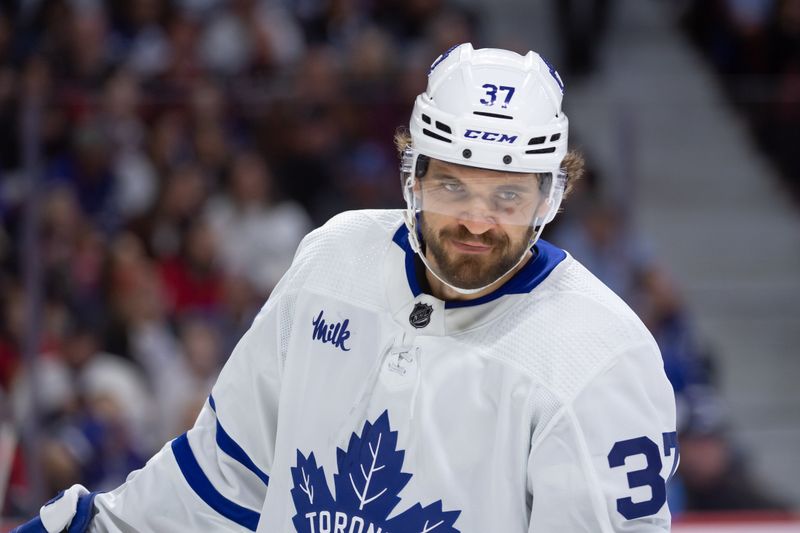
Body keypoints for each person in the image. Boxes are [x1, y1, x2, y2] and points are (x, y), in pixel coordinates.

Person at [15, 43, 677, 532]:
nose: (478, 219)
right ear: (413, 177)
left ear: (549, 194)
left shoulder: (600, 356)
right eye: (454, 185)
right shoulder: (334, 261)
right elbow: (226, 479)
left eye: (507, 194)